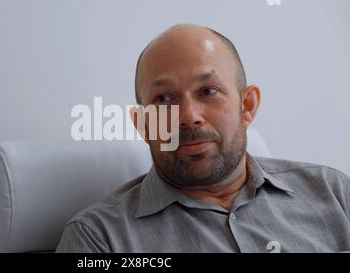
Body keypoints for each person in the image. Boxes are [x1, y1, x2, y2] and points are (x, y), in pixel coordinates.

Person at [56, 24, 350, 252]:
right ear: (144, 126)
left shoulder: (334, 193)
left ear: (247, 106)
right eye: (164, 98)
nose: (188, 115)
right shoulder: (98, 240)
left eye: (208, 91)